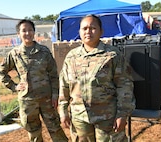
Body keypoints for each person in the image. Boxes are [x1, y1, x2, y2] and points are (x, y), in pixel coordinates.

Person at [58, 14, 136, 142]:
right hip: (79, 117)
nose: (88, 31)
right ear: (79, 32)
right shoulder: (71, 57)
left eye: (93, 28)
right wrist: (63, 111)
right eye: (84, 28)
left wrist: (122, 114)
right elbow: (64, 85)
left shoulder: (112, 55)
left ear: (101, 31)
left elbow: (124, 86)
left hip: (107, 118)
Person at [0, 19, 68, 142]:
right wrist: (14, 86)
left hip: (47, 99)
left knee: (55, 129)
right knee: (34, 132)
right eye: (24, 30)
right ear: (18, 34)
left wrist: (55, 94)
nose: (27, 33)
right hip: (28, 101)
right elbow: (1, 71)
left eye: (30, 30)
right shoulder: (15, 54)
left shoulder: (44, 52)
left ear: (34, 32)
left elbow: (53, 75)